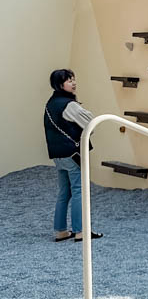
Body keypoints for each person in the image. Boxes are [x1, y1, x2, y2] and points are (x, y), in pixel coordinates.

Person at [43, 69, 102, 242]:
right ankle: (81, 231)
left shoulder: (51, 103)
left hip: (58, 155)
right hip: (72, 153)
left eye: (74, 79)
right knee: (79, 190)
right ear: (60, 84)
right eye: (69, 81)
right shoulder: (69, 104)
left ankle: (60, 231)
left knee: (64, 192)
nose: (73, 83)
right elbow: (91, 122)